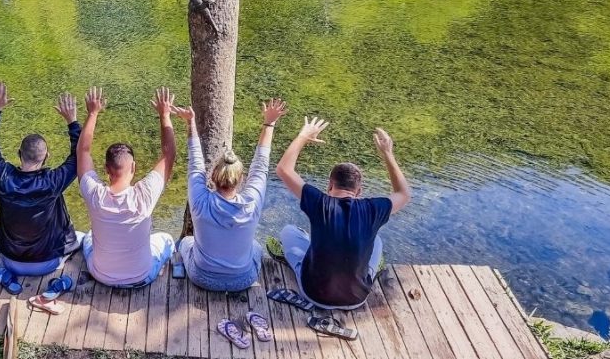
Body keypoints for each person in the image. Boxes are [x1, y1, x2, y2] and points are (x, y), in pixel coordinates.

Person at [276, 118, 412, 309]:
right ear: (359, 191)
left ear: (330, 185)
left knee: (289, 232)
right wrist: (387, 153)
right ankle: (371, 270)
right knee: (377, 241)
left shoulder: (319, 202)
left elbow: (283, 169)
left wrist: (303, 137)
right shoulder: (373, 209)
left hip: (315, 294)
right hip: (356, 299)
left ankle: (301, 262)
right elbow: (404, 194)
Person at [173, 98, 289, 292]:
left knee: (186, 241)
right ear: (241, 179)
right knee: (257, 246)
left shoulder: (201, 201)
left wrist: (190, 122)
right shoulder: (251, 203)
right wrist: (269, 123)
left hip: (201, 277)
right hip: (243, 280)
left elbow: (195, 164)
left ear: (212, 177)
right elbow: (261, 166)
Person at [76, 86, 176, 288]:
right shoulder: (144, 195)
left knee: (87, 237)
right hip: (141, 277)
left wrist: (92, 113)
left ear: (106, 169)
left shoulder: (94, 193)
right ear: (134, 167)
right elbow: (169, 155)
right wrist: (164, 115)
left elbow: (83, 151)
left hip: (100, 275)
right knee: (166, 239)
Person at [0, 81, 84, 277]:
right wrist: (72, 121)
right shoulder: (53, 181)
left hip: (10, 259)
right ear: (47, 157)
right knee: (81, 237)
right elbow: (79, 155)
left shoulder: (3, 176)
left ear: (18, 153)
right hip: (49, 262)